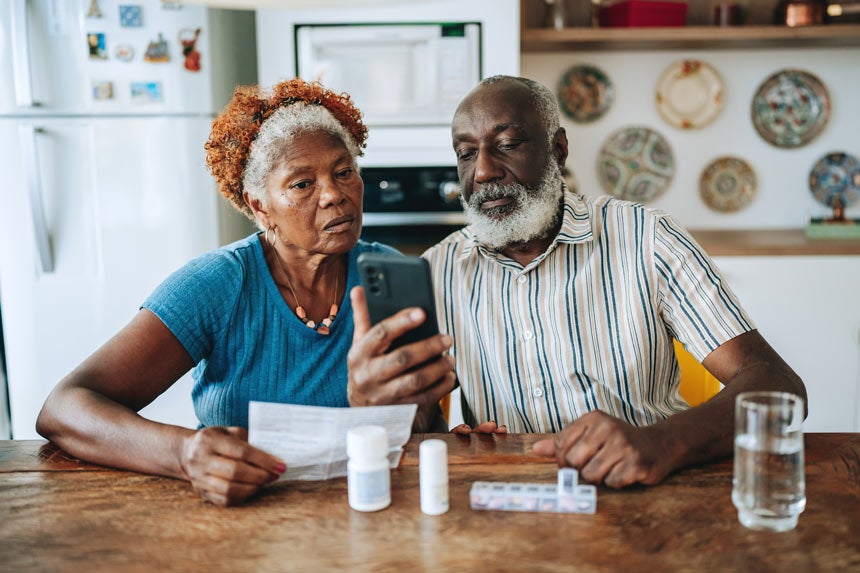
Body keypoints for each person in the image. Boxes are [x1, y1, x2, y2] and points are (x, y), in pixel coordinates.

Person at [347, 75, 807, 488]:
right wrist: (399, 413)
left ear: (559, 149)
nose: (483, 171)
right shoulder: (440, 270)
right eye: (466, 154)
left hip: (653, 492)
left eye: (506, 144)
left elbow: (778, 386)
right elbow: (420, 427)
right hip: (515, 500)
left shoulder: (646, 239)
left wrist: (659, 443)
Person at [36, 78, 453, 507]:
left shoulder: (388, 276)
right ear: (259, 207)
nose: (334, 195)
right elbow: (65, 407)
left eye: (344, 172)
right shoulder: (217, 284)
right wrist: (183, 454)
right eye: (302, 184)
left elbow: (426, 430)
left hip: (369, 507)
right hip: (243, 516)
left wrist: (385, 411)